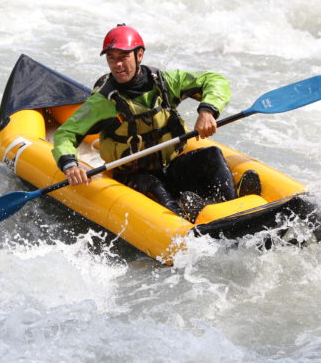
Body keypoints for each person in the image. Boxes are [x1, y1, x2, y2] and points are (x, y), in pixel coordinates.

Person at [51, 24, 260, 221]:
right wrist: (71, 166)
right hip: (134, 176)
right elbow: (65, 134)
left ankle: (233, 208)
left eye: (124, 56)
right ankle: (187, 220)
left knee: (211, 155)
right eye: (112, 58)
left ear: (139, 54)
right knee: (154, 186)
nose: (117, 64)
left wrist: (207, 111)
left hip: (170, 166)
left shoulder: (165, 83)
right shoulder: (103, 102)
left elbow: (214, 80)